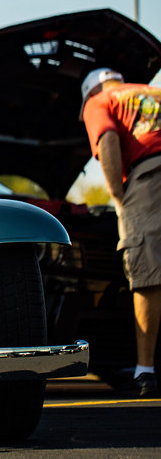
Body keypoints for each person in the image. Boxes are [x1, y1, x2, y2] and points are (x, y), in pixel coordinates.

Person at [80, 67, 161, 397]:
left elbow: (109, 139)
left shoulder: (99, 101)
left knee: (148, 268)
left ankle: (145, 370)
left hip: (151, 175)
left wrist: (118, 197)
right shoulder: (152, 92)